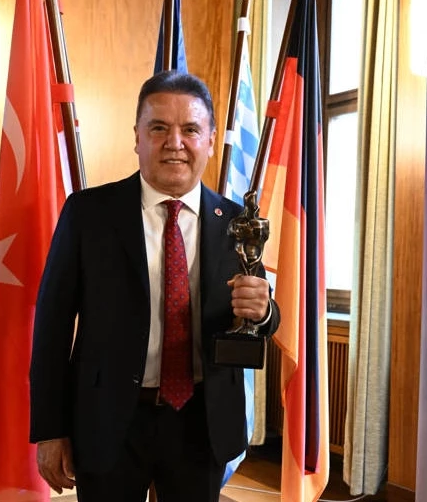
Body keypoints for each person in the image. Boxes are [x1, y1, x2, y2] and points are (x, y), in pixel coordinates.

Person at [29, 70, 280, 502]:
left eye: (190, 129)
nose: (174, 142)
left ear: (210, 139)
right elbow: (51, 329)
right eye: (159, 128)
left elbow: (260, 319)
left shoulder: (238, 225)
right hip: (108, 420)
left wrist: (265, 310)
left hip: (201, 422)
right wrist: (50, 430)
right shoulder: (88, 214)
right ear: (138, 137)